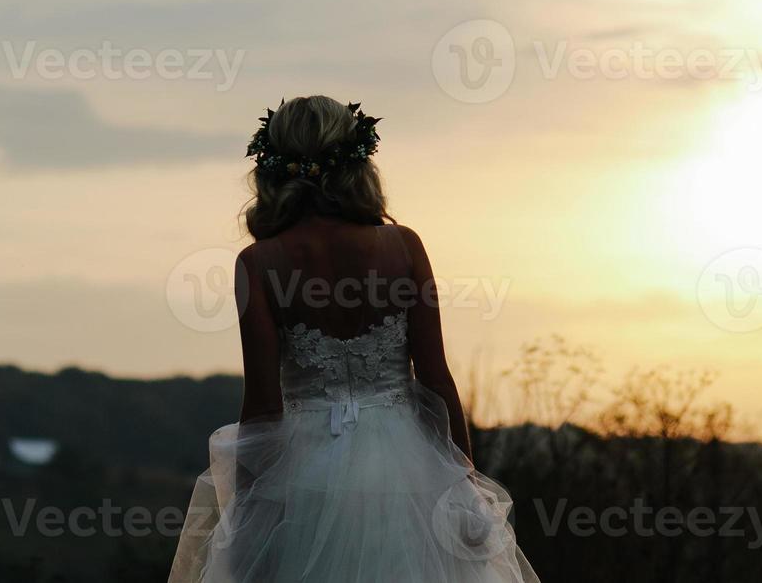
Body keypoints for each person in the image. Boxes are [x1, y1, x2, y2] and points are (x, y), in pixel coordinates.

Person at [168, 95, 542, 582]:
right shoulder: (403, 245)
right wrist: (463, 481)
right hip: (409, 471)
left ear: (273, 166)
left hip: (304, 477)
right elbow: (434, 378)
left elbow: (262, 405)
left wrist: (250, 523)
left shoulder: (258, 264)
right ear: (357, 162)